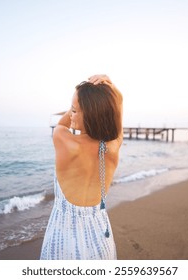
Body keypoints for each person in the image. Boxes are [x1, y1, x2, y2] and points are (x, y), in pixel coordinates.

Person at [40, 74, 123, 260]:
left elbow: (61, 125)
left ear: (92, 114)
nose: (71, 114)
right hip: (101, 238)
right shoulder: (113, 148)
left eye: (74, 110)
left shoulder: (64, 140)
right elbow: (117, 113)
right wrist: (111, 91)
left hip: (63, 240)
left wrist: (78, 98)